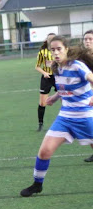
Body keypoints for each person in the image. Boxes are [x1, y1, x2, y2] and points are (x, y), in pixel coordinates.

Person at [20, 35, 93, 197]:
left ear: (66, 49)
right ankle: (37, 185)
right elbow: (65, 85)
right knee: (45, 151)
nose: (56, 53)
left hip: (86, 117)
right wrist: (56, 96)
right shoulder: (56, 68)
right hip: (65, 118)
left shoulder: (77, 66)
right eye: (52, 50)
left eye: (59, 49)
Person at [34, 32, 56, 132]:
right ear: (46, 40)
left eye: (53, 39)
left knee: (65, 99)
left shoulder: (59, 51)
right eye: (49, 39)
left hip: (58, 77)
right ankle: (40, 124)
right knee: (42, 103)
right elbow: (37, 67)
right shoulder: (42, 52)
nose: (51, 40)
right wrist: (44, 73)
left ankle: (69, 122)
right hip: (46, 78)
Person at [80, 30, 93, 162]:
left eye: (90, 39)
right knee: (89, 126)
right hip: (86, 97)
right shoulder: (81, 58)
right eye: (85, 39)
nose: (87, 41)